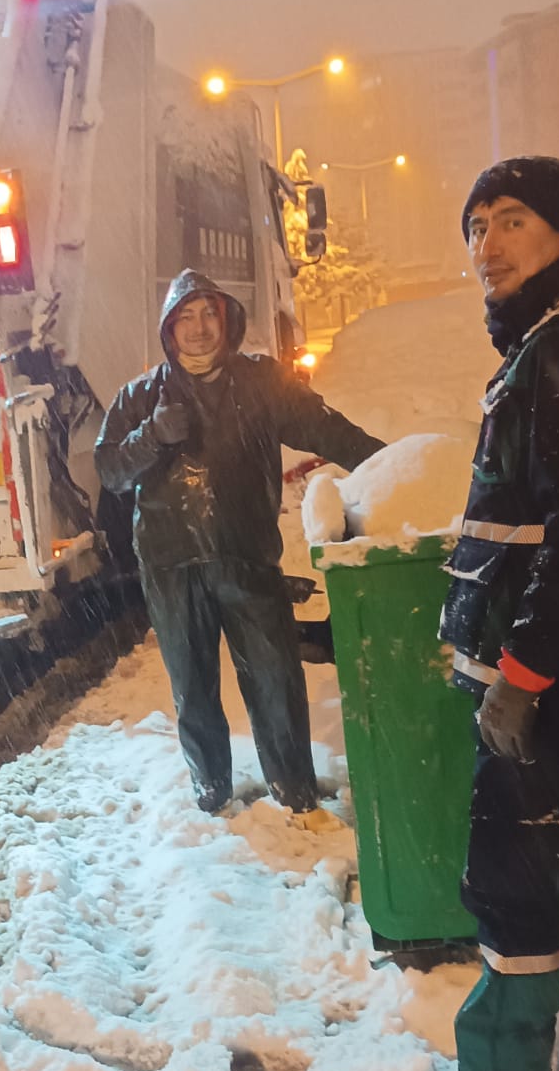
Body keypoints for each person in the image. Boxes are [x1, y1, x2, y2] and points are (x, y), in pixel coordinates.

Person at [95, 267, 382, 815]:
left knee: (276, 680)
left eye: (210, 314)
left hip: (247, 558)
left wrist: (388, 464)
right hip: (171, 566)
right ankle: (211, 791)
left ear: (226, 319)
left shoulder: (260, 382)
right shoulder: (139, 396)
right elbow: (110, 469)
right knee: (194, 690)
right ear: (169, 328)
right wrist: (151, 435)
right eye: (187, 317)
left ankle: (294, 788)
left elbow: (328, 429)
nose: (200, 328)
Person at [440, 156, 559, 1071]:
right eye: (477, 226)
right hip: (557, 671)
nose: (485, 245)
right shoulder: (547, 342)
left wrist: (522, 674)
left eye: (510, 222)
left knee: (515, 864)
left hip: (555, 678)